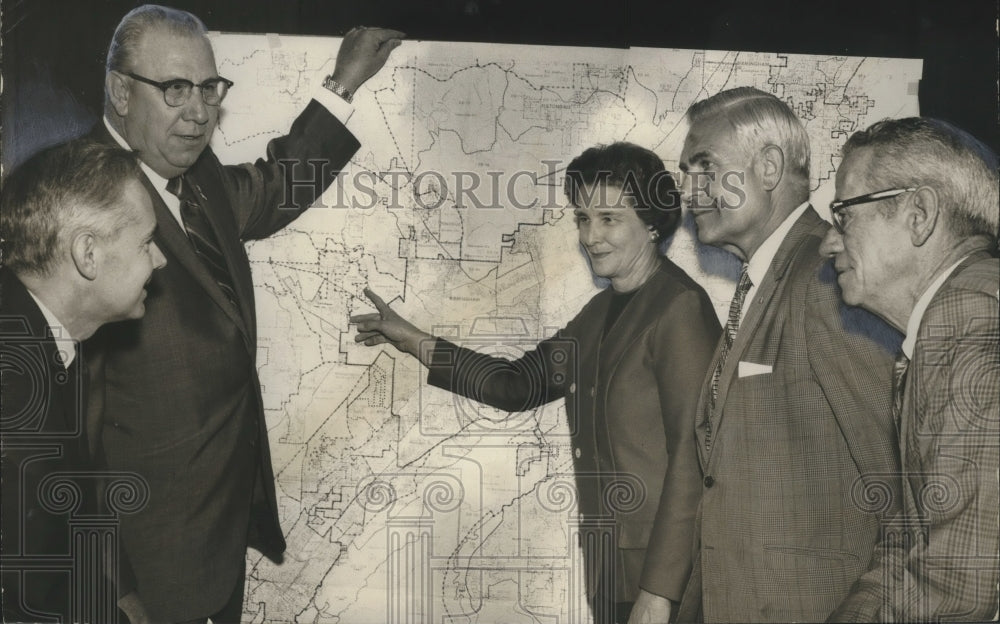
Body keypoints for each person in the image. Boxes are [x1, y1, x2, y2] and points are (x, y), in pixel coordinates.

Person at [83, 5, 403, 622]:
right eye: (175, 89)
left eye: (209, 89)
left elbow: (280, 184)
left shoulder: (198, 181)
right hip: (137, 573)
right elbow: (61, 431)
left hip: (215, 547)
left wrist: (343, 84)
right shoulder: (79, 200)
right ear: (122, 92)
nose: (199, 111)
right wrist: (115, 585)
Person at [352, 142, 720, 624]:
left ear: (652, 223)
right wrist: (412, 339)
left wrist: (659, 591)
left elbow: (694, 460)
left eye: (609, 218)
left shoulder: (680, 309)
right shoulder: (600, 313)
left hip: (663, 581)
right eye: (583, 218)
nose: (591, 235)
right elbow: (515, 385)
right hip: (612, 571)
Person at [672, 87, 903, 622]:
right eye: (685, 172)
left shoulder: (829, 279)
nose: (688, 190)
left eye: (704, 167)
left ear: (769, 167)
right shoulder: (764, 282)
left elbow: (904, 494)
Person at [820, 117, 999, 622]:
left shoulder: (968, 318)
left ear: (919, 214)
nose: (827, 244)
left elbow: (957, 582)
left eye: (844, 217)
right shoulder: (953, 317)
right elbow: (909, 539)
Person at [1, 138, 166, 622]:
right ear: (87, 254)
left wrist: (117, 597)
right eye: (146, 242)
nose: (160, 260)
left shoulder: (47, 338)